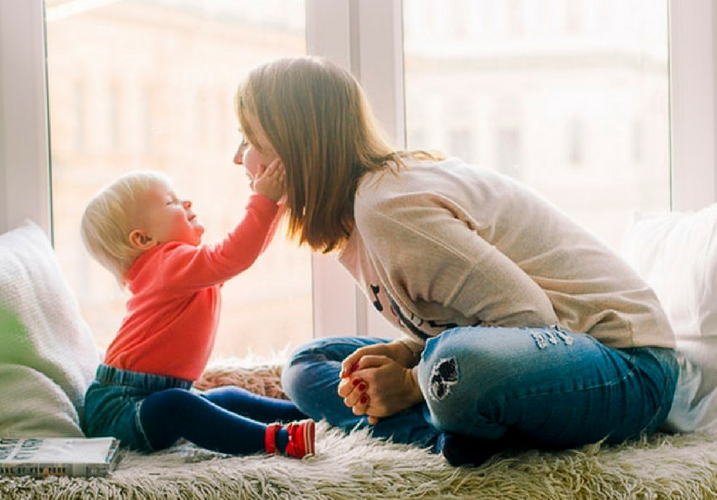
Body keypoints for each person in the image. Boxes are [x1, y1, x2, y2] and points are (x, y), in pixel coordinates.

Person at [234, 56, 679, 466]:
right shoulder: (358, 219)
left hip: (627, 367)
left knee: (455, 366)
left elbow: (531, 319)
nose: (239, 157)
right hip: (533, 357)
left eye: (251, 139)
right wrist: (410, 356)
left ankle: (451, 423)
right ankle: (454, 434)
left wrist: (410, 382)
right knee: (308, 364)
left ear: (297, 149)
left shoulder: (388, 208)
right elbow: (473, 326)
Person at [78, 165, 316, 459]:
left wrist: (276, 207)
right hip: (120, 409)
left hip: (152, 394)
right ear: (142, 239)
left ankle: (309, 412)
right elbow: (235, 254)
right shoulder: (168, 265)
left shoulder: (179, 269)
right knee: (178, 406)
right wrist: (264, 201)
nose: (186, 203)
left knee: (226, 397)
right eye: (171, 202)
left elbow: (242, 256)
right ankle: (277, 440)